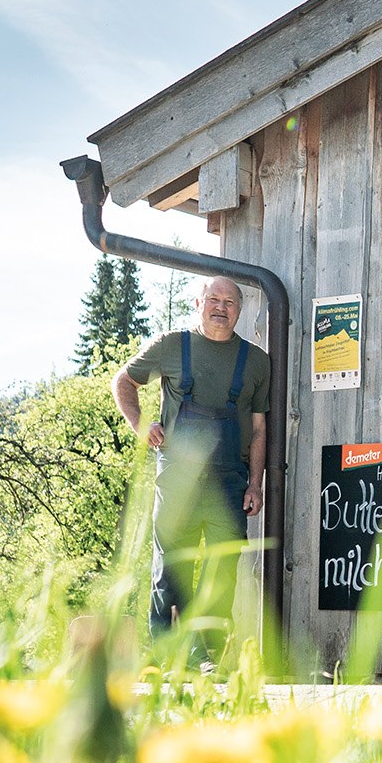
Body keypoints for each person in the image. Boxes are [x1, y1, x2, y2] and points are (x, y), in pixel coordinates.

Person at [112, 275, 270, 662]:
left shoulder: (256, 361)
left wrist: (255, 484)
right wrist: (140, 424)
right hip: (177, 476)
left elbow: (260, 428)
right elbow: (124, 381)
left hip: (231, 481)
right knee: (171, 568)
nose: (221, 307)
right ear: (198, 304)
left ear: (240, 310)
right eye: (213, 299)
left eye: (230, 302)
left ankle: (208, 657)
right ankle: (169, 656)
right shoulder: (171, 346)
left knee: (222, 569)